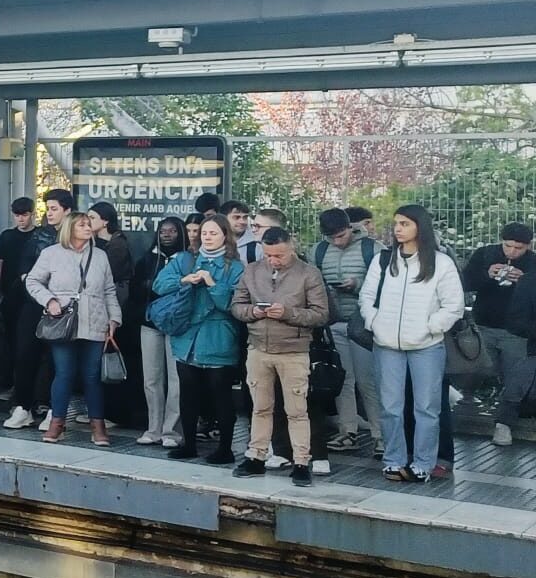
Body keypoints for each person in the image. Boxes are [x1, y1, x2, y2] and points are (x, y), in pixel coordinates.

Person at [359, 204, 464, 483]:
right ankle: (394, 460)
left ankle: (423, 464)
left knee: (427, 408)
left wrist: (431, 327)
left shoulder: (441, 263)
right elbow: (366, 297)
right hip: (386, 345)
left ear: (420, 226)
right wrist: (374, 322)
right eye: (396, 223)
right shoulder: (383, 260)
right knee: (391, 406)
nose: (398, 228)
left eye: (405, 223)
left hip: (427, 346)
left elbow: (454, 305)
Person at [230, 227, 331, 486]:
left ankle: (301, 461)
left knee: (297, 410)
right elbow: (236, 307)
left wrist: (287, 313)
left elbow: (321, 314)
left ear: (291, 247)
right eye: (269, 255)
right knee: (260, 407)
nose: (274, 260)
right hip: (258, 348)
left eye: (280, 255)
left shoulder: (309, 273)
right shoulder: (252, 271)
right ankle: (256, 456)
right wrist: (254, 311)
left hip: (294, 350)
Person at [156, 213, 245, 464]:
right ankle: (189, 443)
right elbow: (159, 285)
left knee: (220, 394)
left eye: (213, 233)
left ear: (225, 236)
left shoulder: (235, 267)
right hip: (187, 335)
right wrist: (185, 279)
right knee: (188, 392)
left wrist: (211, 281)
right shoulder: (186, 259)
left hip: (218, 335)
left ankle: (225, 448)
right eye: (204, 233)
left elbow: (230, 303)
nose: (207, 237)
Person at [26, 209, 121, 444]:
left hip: (96, 320)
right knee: (64, 373)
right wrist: (49, 300)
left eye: (89, 224)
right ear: (70, 228)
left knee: (91, 376)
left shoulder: (100, 255)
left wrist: (114, 319)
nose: (88, 228)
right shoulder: (51, 253)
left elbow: (109, 289)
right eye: (82, 225)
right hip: (63, 321)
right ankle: (57, 423)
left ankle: (98, 426)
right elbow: (32, 280)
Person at [313, 207, 383, 455]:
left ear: (350, 228)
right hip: (334, 323)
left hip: (363, 325)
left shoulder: (372, 249)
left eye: (342, 235)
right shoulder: (319, 251)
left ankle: (380, 434)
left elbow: (385, 286)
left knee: (368, 381)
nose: (338, 242)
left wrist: (357, 285)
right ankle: (347, 431)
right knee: (342, 380)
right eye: (332, 238)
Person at [1, 191, 68, 429]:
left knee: (55, 359)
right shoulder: (38, 236)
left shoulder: (76, 237)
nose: (49, 213)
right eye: (48, 209)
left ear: (66, 210)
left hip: (63, 307)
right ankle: (23, 407)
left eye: (54, 208)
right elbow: (24, 271)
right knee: (24, 354)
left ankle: (54, 409)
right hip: (34, 302)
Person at [463, 223, 533, 416]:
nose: (512, 252)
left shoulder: (533, 262)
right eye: (508, 245)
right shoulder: (484, 254)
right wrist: (487, 274)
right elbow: (465, 282)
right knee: (477, 371)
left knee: (515, 378)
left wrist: (525, 281)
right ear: (501, 241)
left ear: (529, 246)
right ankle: (469, 406)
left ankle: (507, 417)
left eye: (518, 248)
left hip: (516, 332)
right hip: (483, 325)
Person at [132, 216, 187, 447]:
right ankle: (153, 428)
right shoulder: (147, 258)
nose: (166, 234)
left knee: (176, 380)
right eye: (163, 231)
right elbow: (136, 290)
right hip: (150, 323)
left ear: (180, 233)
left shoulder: (187, 260)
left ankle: (172, 431)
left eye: (172, 231)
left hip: (176, 326)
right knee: (152, 379)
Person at [495, 243, 536, 446]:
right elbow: (517, 321)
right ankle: (504, 424)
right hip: (532, 345)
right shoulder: (529, 281)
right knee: (522, 374)